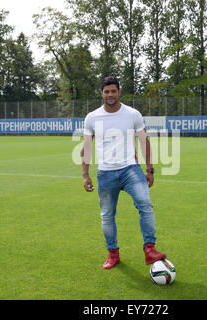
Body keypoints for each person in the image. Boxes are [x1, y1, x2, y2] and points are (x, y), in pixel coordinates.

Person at [81, 77, 166, 269]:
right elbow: (86, 147)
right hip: (105, 173)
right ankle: (113, 254)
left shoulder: (132, 114)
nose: (110, 94)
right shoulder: (92, 117)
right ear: (101, 93)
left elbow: (144, 142)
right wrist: (85, 175)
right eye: (106, 91)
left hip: (131, 169)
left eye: (113, 91)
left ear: (119, 92)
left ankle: (150, 249)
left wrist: (150, 169)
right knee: (107, 215)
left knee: (145, 204)